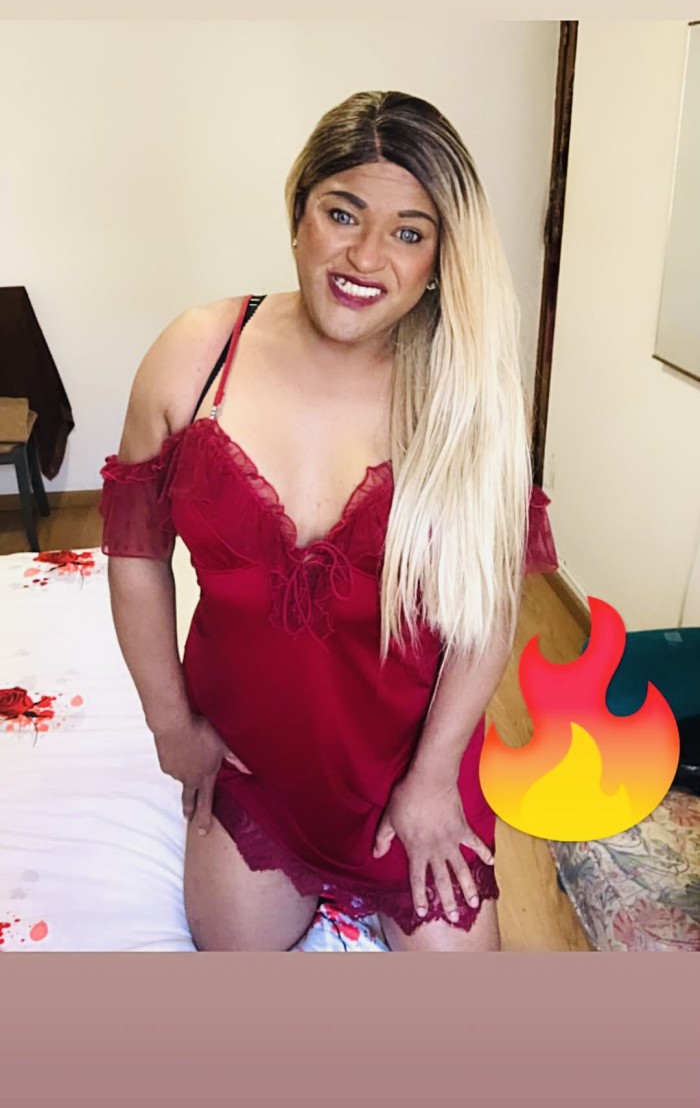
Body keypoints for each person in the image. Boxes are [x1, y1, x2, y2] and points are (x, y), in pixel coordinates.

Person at [100, 90, 553, 952]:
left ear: (440, 258)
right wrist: (173, 729)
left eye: (409, 232)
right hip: (254, 766)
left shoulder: (467, 396)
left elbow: (488, 610)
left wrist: (432, 782)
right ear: (298, 213)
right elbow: (135, 554)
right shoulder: (198, 354)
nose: (366, 256)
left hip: (407, 769)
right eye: (342, 213)